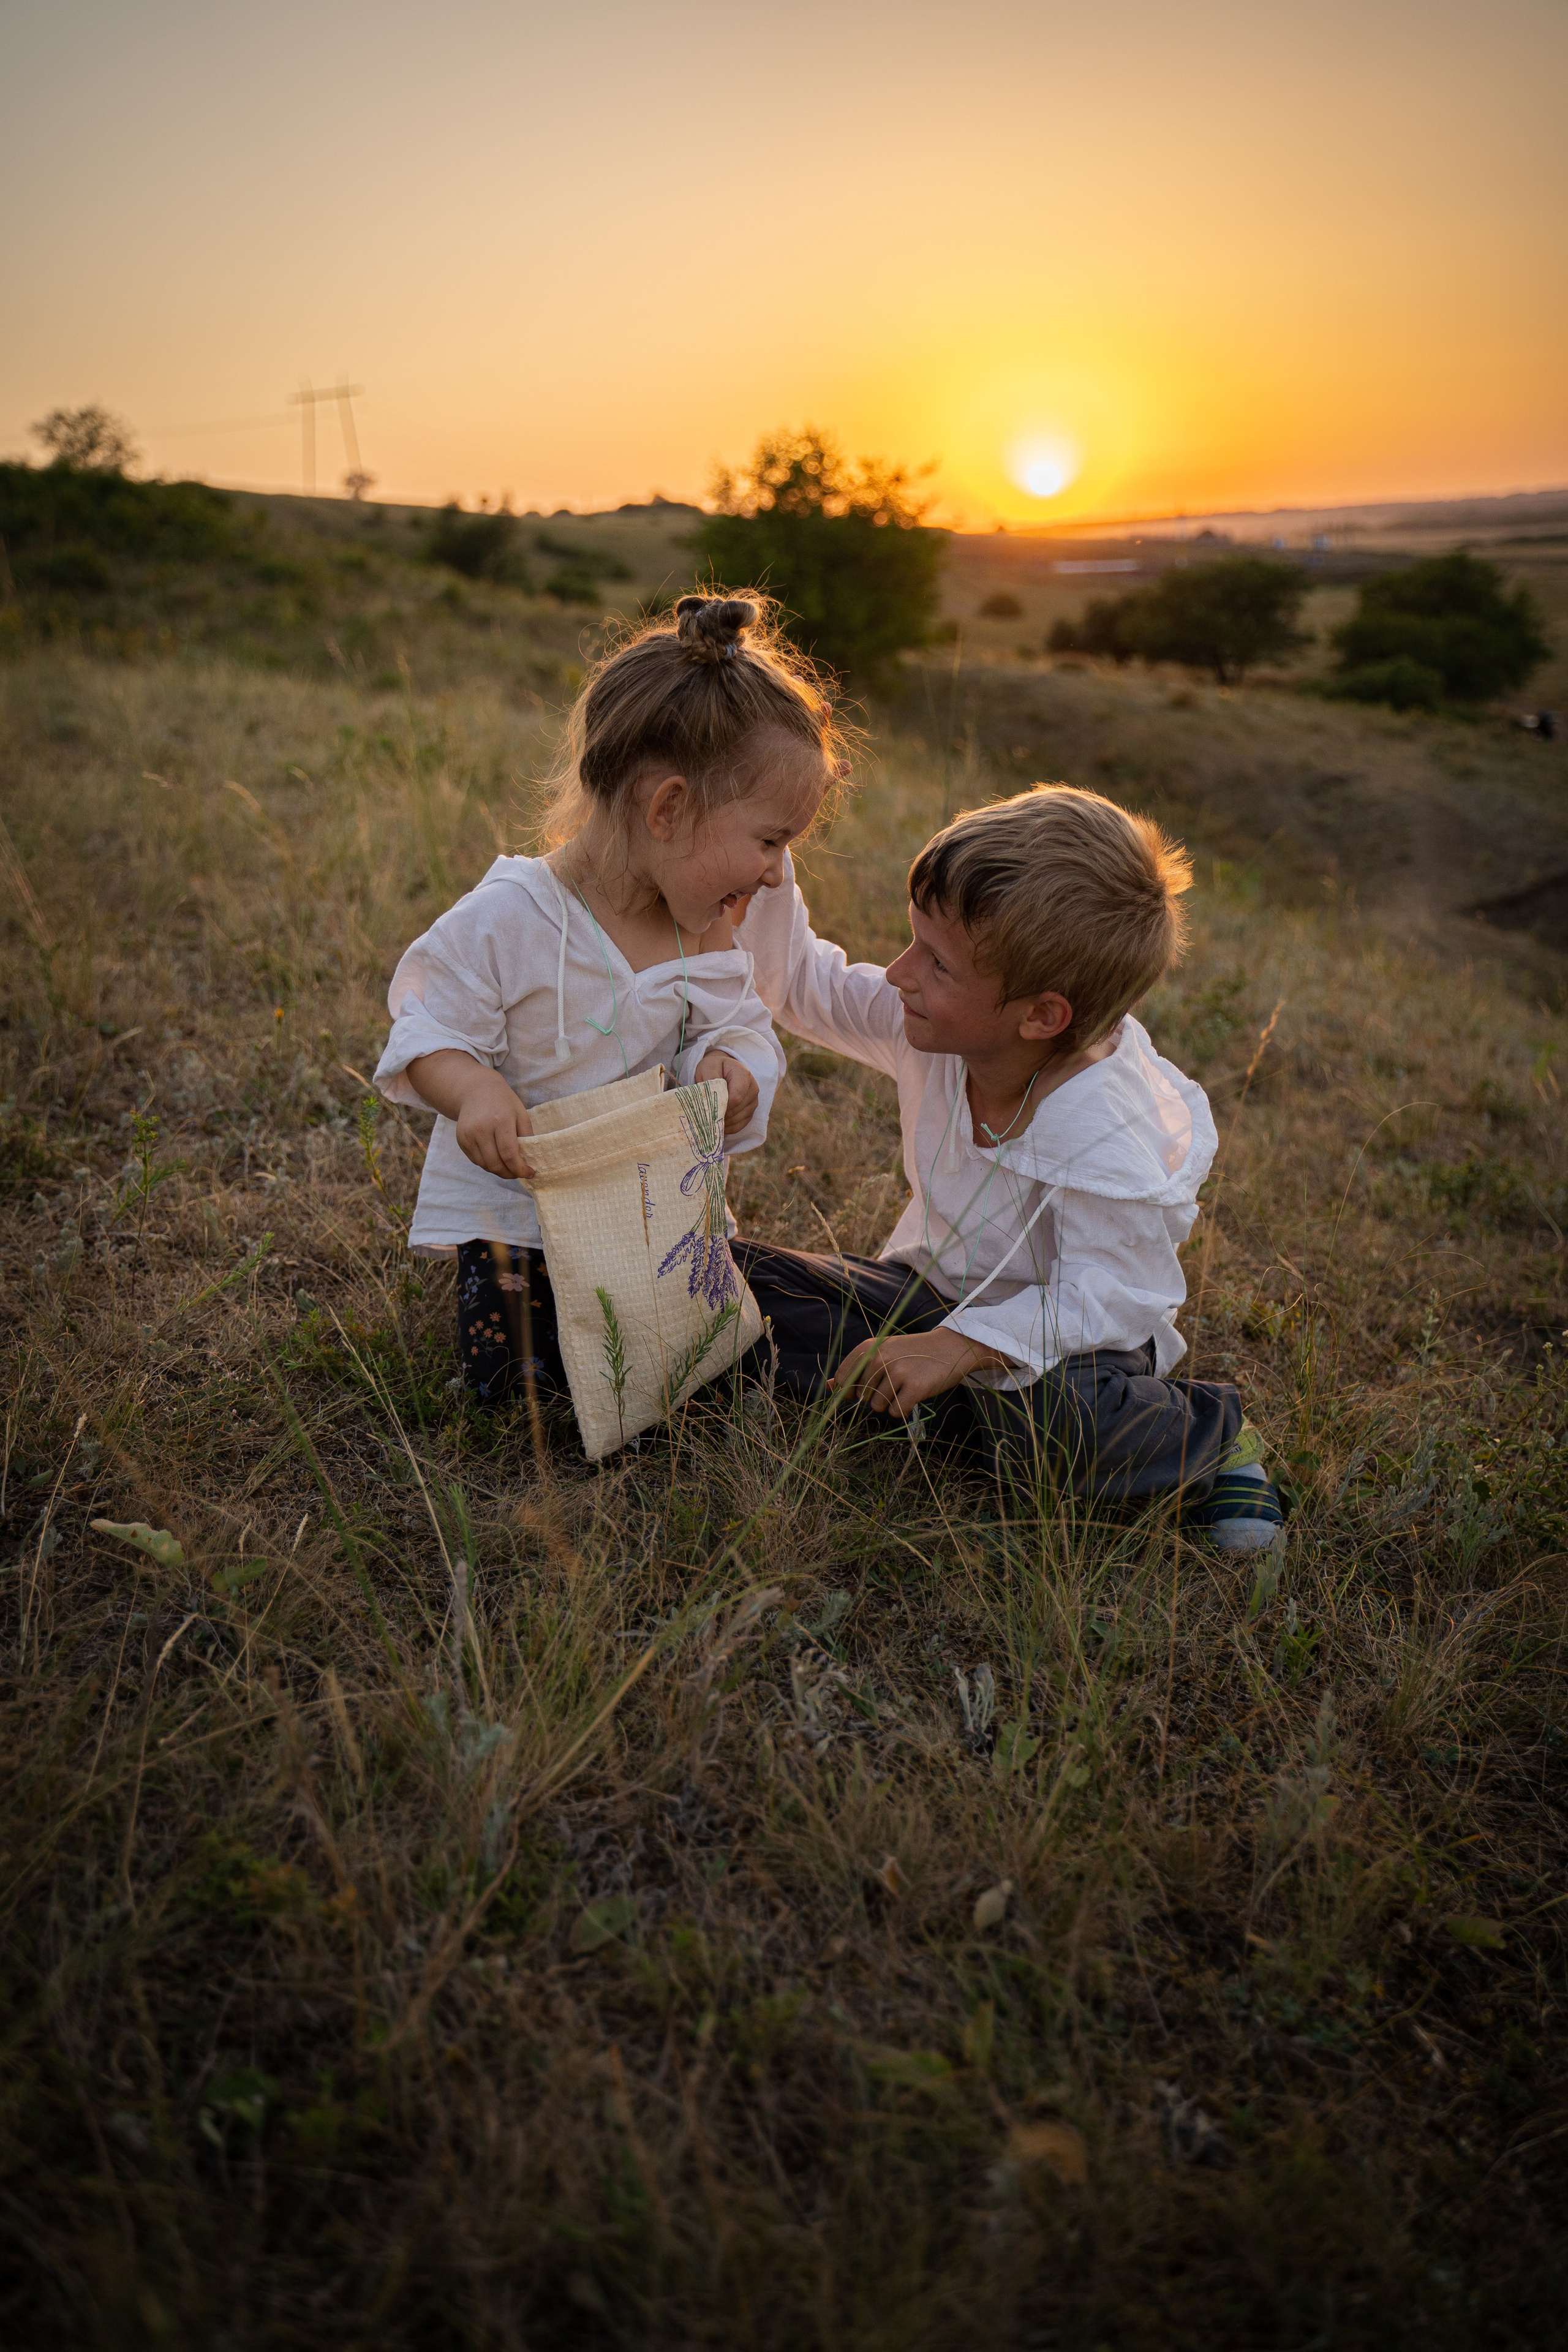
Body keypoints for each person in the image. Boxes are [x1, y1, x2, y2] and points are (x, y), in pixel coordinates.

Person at [733, 784, 1284, 1550]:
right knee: (739, 1278)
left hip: (1070, 1357)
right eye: (912, 943)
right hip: (927, 1297)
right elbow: (800, 986)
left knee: (1051, 1425)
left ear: (1040, 1016)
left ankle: (1205, 1440)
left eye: (936, 964)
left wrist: (959, 1349)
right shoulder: (928, 1026)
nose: (898, 974)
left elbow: (1111, 1297)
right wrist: (764, 848)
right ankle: (937, 1411)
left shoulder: (1106, 1127)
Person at [374, 594, 837, 1408]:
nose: (773, 873)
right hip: (523, 1224)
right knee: (523, 1387)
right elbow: (430, 1027)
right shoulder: (513, 917)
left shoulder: (711, 937)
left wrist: (729, 1069)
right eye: (770, 840)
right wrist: (474, 1087)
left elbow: (740, 1028)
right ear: (670, 808)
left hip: (653, 1223)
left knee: (707, 1370)